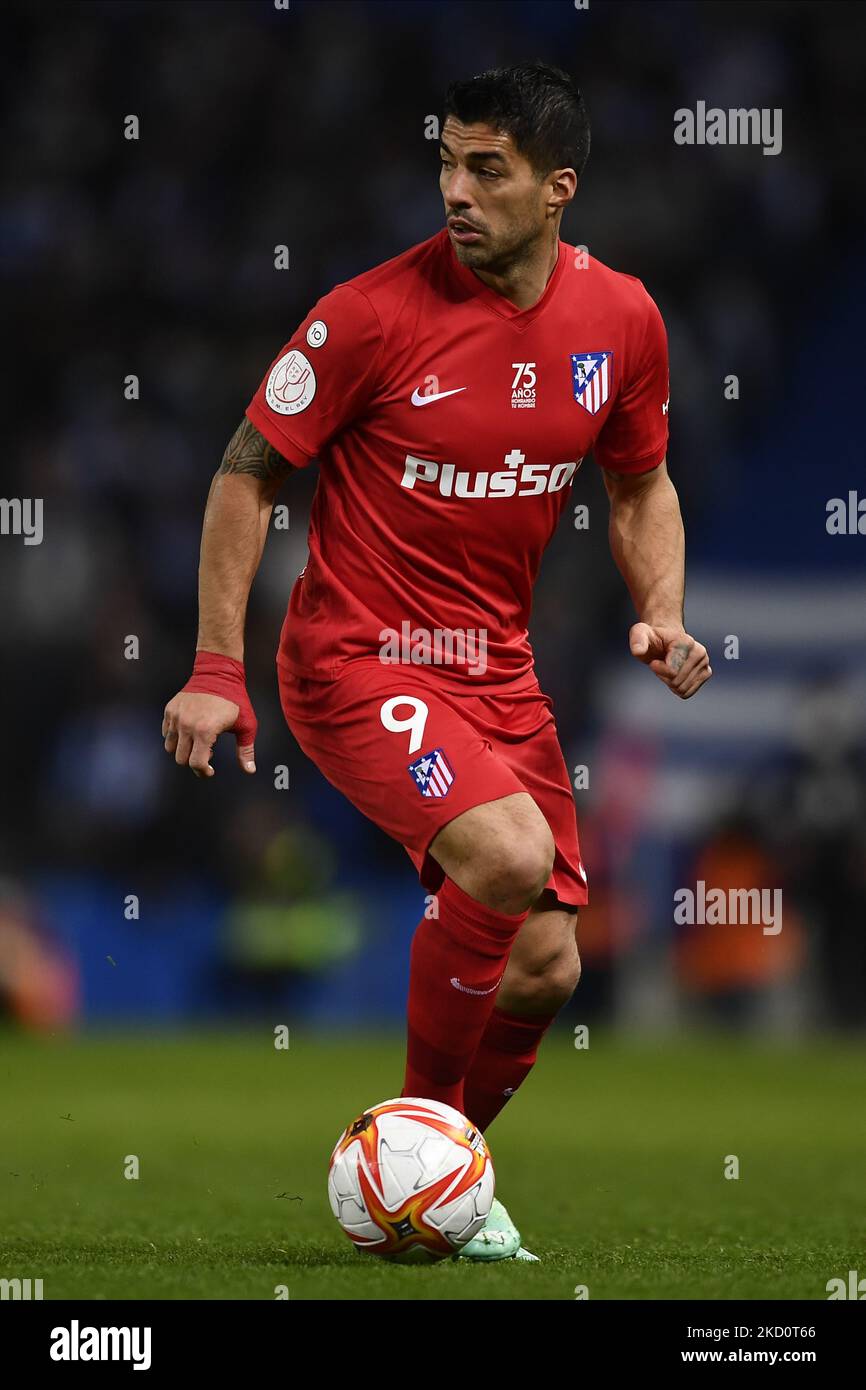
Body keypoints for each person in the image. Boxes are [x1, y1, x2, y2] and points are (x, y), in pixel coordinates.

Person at [163, 62, 711, 1261]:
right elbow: (246, 471)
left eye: (486, 169)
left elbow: (639, 483)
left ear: (557, 188)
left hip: (492, 670)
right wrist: (216, 664)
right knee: (509, 855)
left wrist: (658, 607)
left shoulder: (619, 320)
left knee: (546, 968)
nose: (454, 192)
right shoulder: (366, 316)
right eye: (446, 163)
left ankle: (436, 1179)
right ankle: (415, 1132)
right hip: (355, 653)